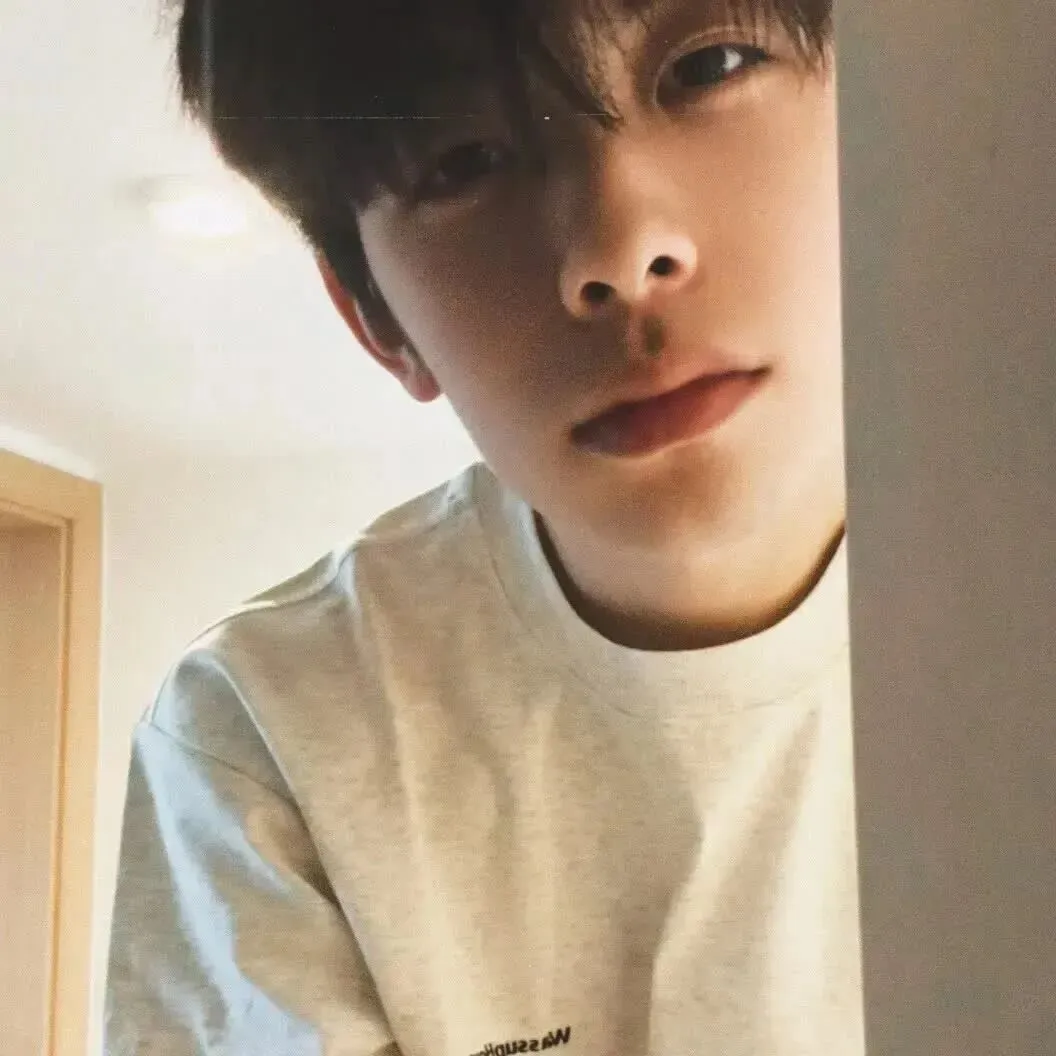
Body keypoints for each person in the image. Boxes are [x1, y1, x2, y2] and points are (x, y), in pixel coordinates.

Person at [105, 0, 861, 1052]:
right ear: (377, 321)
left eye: (710, 67)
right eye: (463, 162)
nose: (619, 246)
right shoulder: (265, 731)